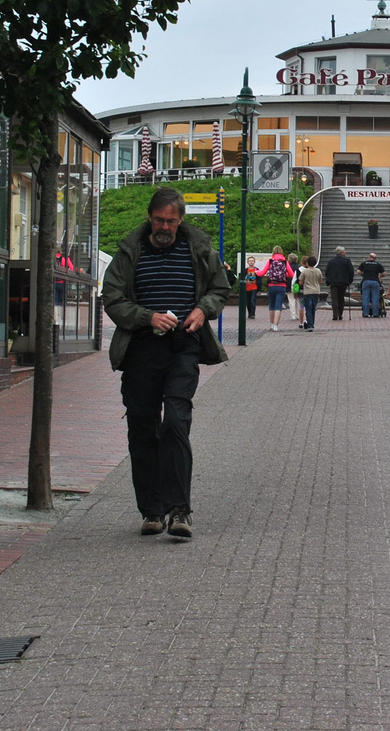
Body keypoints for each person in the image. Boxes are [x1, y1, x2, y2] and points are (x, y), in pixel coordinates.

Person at [102, 187, 231, 541]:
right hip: (141, 350)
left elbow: (220, 290)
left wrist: (202, 310)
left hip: (182, 349)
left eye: (171, 221)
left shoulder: (200, 248)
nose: (165, 227)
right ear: (149, 217)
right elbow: (111, 297)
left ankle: (179, 510)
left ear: (180, 220)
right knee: (142, 429)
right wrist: (147, 317)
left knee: (175, 421)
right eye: (159, 220)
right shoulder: (130, 251)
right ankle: (151, 511)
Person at [261, 246, 292, 331]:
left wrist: (256, 272)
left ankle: (271, 324)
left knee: (271, 305)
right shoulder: (285, 262)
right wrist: (285, 275)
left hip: (271, 285)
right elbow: (292, 274)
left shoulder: (270, 261)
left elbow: (262, 273)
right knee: (278, 306)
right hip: (282, 286)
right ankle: (276, 325)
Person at [325, 246, 353, 321]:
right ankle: (340, 314)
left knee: (334, 298)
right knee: (341, 298)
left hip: (333, 282)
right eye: (344, 251)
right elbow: (351, 272)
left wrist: (328, 281)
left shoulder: (331, 261)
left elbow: (327, 271)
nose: (345, 252)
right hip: (343, 282)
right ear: (341, 252)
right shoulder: (347, 261)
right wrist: (349, 281)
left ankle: (335, 315)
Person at [297, 254, 324, 330]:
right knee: (313, 308)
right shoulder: (318, 270)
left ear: (307, 263)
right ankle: (312, 323)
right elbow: (320, 281)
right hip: (316, 291)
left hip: (308, 292)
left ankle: (310, 325)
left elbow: (300, 282)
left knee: (308, 308)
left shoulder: (305, 271)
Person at [358, 252, 385, 317]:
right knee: (375, 298)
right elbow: (384, 273)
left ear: (369, 257)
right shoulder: (378, 264)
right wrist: (379, 277)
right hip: (375, 282)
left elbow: (358, 271)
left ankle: (365, 314)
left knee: (365, 298)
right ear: (375, 258)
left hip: (366, 281)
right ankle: (375, 314)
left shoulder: (364, 263)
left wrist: (363, 275)